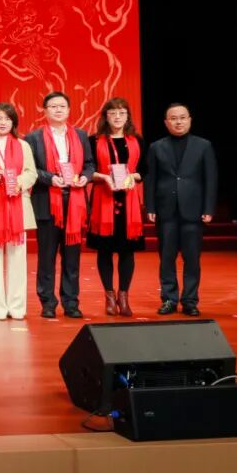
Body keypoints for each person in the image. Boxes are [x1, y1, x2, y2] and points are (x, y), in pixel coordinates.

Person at [25, 92, 94, 319]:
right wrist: (50, 178)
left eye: (62, 106)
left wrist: (85, 177)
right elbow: (31, 169)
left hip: (74, 201)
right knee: (47, 257)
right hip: (47, 200)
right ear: (44, 111)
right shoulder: (33, 138)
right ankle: (48, 302)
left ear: (68, 110)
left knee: (72, 257)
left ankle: (71, 302)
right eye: (53, 106)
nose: (58, 110)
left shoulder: (81, 135)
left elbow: (89, 164)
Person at [144, 103, 217, 317]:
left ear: (190, 120)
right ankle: (169, 299)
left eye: (182, 117)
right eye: (173, 118)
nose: (178, 122)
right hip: (166, 210)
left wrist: (208, 207)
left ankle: (190, 300)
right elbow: (151, 179)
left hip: (193, 210)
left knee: (192, 258)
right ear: (166, 123)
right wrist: (150, 206)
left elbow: (211, 179)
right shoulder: (156, 147)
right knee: (167, 258)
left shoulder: (203, 146)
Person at [0, 103, 37, 320]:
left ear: (13, 122)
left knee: (17, 256)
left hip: (17, 204)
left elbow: (31, 172)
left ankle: (17, 306)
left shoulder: (23, 145)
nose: (3, 123)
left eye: (7, 119)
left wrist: (19, 182)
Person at [87, 97, 145, 317]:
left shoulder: (137, 140)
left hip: (129, 201)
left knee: (127, 252)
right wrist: (104, 177)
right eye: (112, 113)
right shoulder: (94, 141)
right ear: (106, 117)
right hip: (104, 199)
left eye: (122, 113)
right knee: (105, 250)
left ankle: (124, 296)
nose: (117, 117)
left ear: (128, 116)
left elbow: (144, 170)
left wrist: (132, 176)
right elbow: (88, 170)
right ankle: (109, 297)